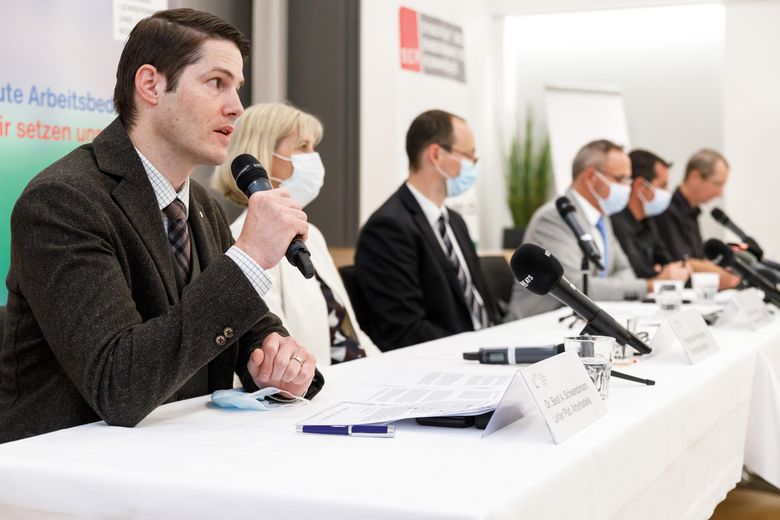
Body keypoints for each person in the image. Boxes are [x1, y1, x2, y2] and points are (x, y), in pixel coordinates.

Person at [0, 9, 323, 444]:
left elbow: (242, 329)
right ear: (151, 85)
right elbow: (119, 385)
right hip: (62, 473)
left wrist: (277, 362)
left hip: (176, 453)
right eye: (216, 83)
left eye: (237, 88)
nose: (236, 107)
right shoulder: (63, 202)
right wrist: (247, 259)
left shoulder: (202, 206)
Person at [213, 103, 380, 365]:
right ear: (262, 156)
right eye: (302, 147)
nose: (313, 158)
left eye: (313, 147)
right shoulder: (241, 241)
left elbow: (353, 332)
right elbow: (273, 349)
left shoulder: (311, 233)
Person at [354, 109, 498, 351]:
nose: (473, 164)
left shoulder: (455, 221)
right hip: (445, 361)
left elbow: (479, 302)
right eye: (469, 155)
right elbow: (405, 329)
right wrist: (475, 350)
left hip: (486, 349)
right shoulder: (388, 228)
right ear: (436, 154)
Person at [506, 139, 690, 320]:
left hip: (578, 323)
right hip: (537, 327)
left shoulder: (602, 216)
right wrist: (651, 285)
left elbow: (625, 271)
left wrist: (609, 286)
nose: (628, 187)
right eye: (621, 179)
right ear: (591, 177)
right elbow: (576, 287)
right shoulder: (554, 217)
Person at [654, 148, 740, 289]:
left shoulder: (692, 212)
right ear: (695, 176)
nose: (720, 193)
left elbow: (698, 260)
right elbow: (685, 263)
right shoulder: (666, 210)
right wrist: (729, 279)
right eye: (717, 184)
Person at [611, 149, 681, 278]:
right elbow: (637, 272)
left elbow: (667, 262)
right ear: (640, 186)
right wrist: (658, 273)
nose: (668, 192)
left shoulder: (649, 219)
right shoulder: (615, 221)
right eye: (663, 186)